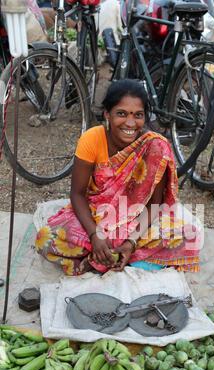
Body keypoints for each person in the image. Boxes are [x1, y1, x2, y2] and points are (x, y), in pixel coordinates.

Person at [35, 79, 201, 275]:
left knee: (187, 236)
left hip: (137, 219)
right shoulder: (91, 139)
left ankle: (104, 258)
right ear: (107, 114)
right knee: (46, 239)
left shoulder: (155, 147)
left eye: (138, 115)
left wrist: (131, 242)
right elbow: (78, 195)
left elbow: (155, 205)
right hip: (98, 214)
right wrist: (95, 235)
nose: (130, 123)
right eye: (121, 114)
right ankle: (121, 258)